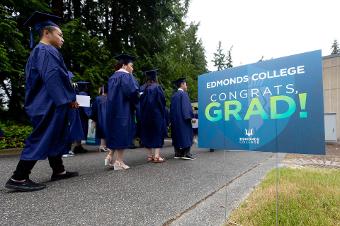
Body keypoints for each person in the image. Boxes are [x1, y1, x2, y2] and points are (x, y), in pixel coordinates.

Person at [5, 11, 79, 192]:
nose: (62, 39)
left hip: (47, 101)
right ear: (47, 33)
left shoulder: (41, 51)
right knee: (43, 135)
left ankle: (58, 170)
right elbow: (53, 78)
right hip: (47, 103)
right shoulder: (45, 51)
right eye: (60, 34)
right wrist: (69, 98)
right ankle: (19, 176)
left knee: (55, 134)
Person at [105, 54, 139, 170]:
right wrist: (137, 99)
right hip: (123, 110)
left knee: (114, 132)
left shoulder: (113, 77)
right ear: (125, 65)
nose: (132, 68)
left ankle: (109, 156)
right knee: (122, 134)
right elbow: (132, 93)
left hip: (112, 110)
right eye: (131, 65)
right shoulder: (126, 77)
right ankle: (119, 162)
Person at [140, 69, 167, 163]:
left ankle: (149, 156)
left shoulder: (142, 88)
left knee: (147, 133)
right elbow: (162, 102)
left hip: (144, 116)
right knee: (157, 133)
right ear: (155, 77)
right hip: (156, 115)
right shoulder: (157, 87)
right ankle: (156, 156)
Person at [170, 78, 195, 160]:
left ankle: (177, 153)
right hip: (183, 119)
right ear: (182, 84)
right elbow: (186, 107)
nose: (186, 86)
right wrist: (189, 117)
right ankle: (186, 154)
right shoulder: (183, 94)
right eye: (186, 84)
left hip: (175, 120)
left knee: (177, 136)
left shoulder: (174, 95)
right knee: (186, 135)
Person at [72, 81, 92, 154]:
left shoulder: (75, 93)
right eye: (86, 86)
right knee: (81, 130)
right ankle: (77, 147)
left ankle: (79, 146)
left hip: (76, 115)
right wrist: (91, 115)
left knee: (77, 130)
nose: (87, 87)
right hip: (82, 116)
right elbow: (86, 108)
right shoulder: (83, 94)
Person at [91, 85, 110, 152]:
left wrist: (94, 118)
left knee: (102, 131)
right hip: (108, 118)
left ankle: (102, 146)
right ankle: (104, 146)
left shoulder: (97, 98)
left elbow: (94, 109)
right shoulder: (110, 98)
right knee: (107, 131)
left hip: (100, 118)